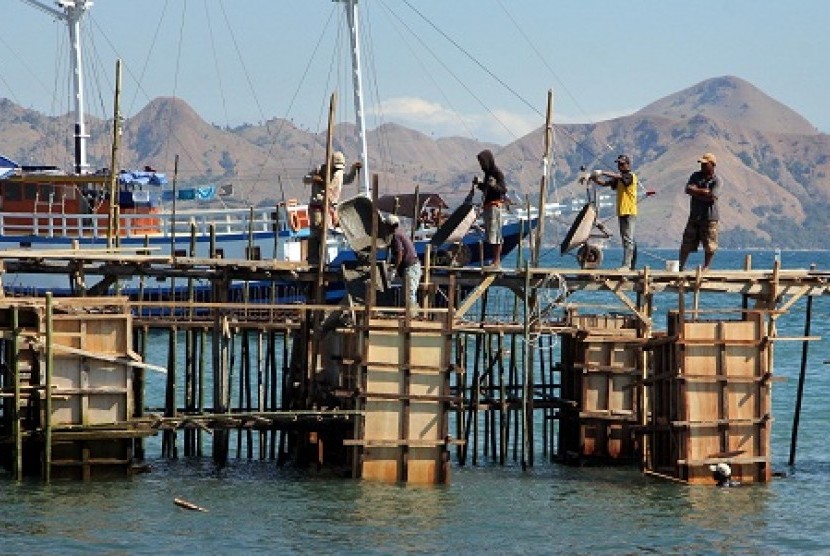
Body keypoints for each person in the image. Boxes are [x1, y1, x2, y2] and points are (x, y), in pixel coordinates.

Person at [303, 151, 361, 264]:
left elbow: (348, 179)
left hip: (330, 207)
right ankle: (313, 259)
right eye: (335, 167)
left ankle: (323, 259)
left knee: (326, 232)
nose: (336, 170)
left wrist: (354, 169)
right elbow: (305, 179)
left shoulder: (339, 173)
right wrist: (314, 178)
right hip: (318, 207)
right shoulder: (320, 169)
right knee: (317, 231)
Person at [591, 154, 638, 270]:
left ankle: (627, 265)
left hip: (629, 211)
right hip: (622, 211)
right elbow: (605, 184)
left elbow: (620, 177)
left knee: (628, 239)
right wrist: (594, 178)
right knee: (627, 239)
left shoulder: (630, 176)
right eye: (618, 164)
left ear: (627, 164)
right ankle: (630, 265)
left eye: (622, 164)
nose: (620, 166)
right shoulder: (619, 179)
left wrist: (602, 172)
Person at [679, 152, 720, 271]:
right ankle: (681, 265)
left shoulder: (717, 180)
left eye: (705, 164)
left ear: (712, 165)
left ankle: (706, 266)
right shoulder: (695, 176)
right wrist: (703, 192)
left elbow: (712, 197)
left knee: (710, 244)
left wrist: (696, 192)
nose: (702, 166)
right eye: (702, 164)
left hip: (710, 217)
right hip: (695, 215)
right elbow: (688, 189)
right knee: (687, 241)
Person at [473, 149, 507, 268]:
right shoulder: (488, 174)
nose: (481, 164)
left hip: (494, 207)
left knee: (495, 234)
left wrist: (494, 185)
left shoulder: (497, 173)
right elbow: (487, 190)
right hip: (487, 207)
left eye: (482, 162)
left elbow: (502, 190)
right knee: (490, 235)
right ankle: (493, 261)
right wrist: (480, 184)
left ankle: (496, 262)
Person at [386, 215, 422, 310]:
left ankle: (411, 317)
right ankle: (410, 316)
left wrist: (395, 268)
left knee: (409, 293)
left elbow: (400, 254)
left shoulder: (396, 235)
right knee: (407, 294)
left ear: (390, 226)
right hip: (412, 266)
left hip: (411, 267)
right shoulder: (401, 233)